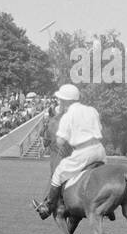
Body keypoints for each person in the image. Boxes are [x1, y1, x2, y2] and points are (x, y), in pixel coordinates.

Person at [32, 83, 105, 219]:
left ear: (65, 101)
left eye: (61, 100)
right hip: (100, 151)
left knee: (58, 174)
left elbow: (60, 141)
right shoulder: (92, 110)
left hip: (83, 152)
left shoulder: (67, 115)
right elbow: (99, 129)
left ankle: (47, 207)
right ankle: (108, 208)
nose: (60, 102)